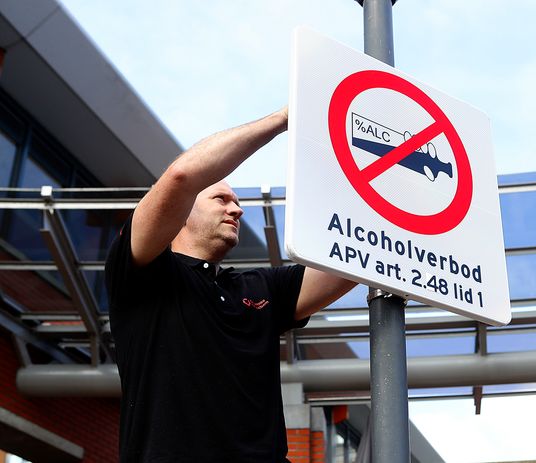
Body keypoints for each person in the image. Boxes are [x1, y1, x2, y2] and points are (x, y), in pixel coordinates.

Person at [105, 107, 356, 462]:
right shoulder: (144, 273)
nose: (236, 209)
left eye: (237, 202)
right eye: (221, 199)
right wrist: (288, 117)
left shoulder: (258, 287)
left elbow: (351, 262)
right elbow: (180, 176)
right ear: (181, 212)